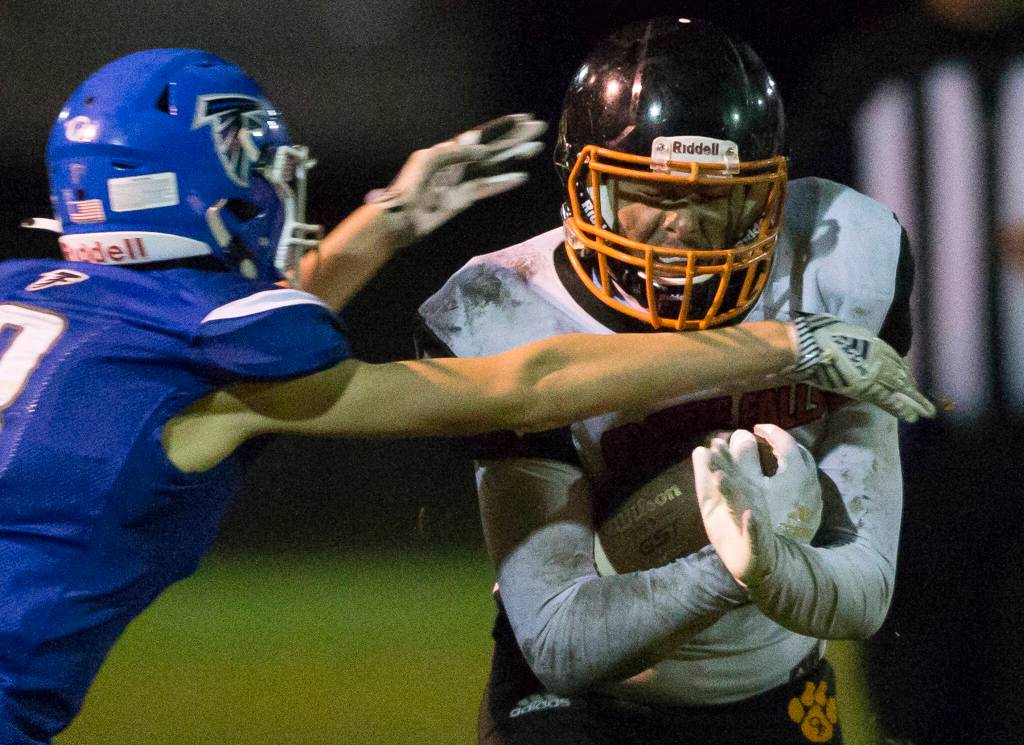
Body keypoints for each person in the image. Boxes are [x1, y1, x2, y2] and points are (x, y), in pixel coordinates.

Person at [0, 48, 930, 745]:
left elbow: (212, 358)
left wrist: (387, 220)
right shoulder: (217, 347)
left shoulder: (29, 293)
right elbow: (523, 383)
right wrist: (777, 343)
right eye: (256, 169)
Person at [416, 17, 922, 745]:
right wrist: (731, 567)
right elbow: (559, 641)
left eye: (714, 196)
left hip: (774, 691)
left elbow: (866, 590)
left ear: (766, 198)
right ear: (588, 191)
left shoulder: (842, 259)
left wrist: (770, 564)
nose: (680, 227)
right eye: (651, 193)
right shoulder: (509, 306)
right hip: (587, 709)